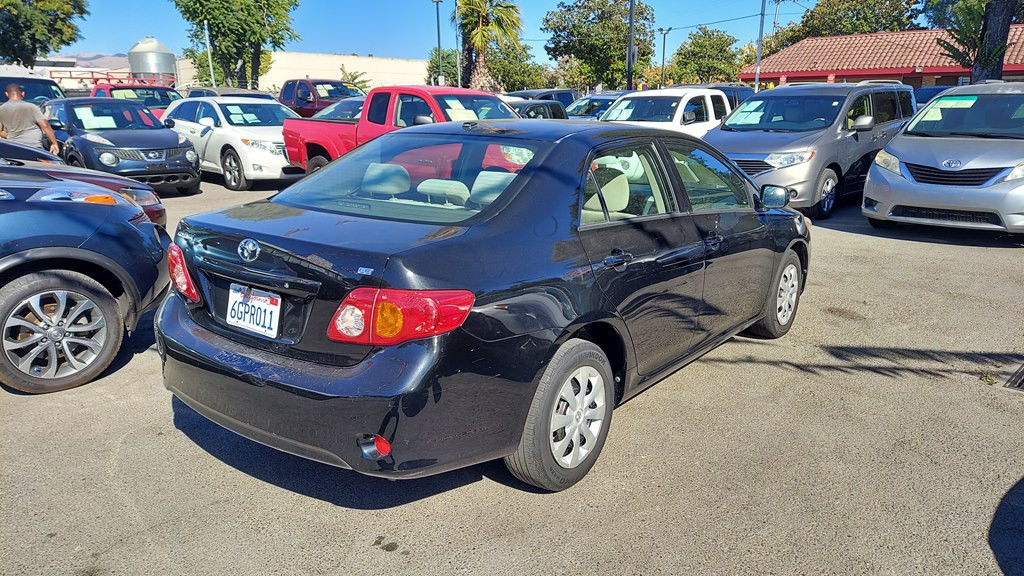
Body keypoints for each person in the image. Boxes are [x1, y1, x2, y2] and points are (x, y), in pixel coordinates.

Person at [0, 83, 60, 154]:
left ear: (6, 94)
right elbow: (45, 125)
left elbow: (0, 132)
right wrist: (54, 143)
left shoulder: (1, 109)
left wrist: (13, 136)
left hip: (14, 148)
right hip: (34, 147)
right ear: (23, 93)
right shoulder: (32, 107)